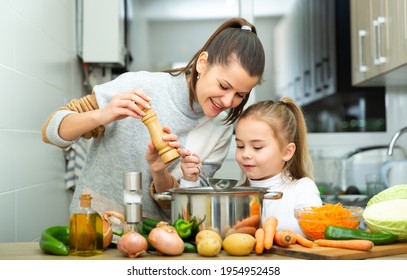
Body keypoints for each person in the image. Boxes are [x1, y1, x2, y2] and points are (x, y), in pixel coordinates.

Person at [41, 17, 265, 220]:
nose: (227, 101)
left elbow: (186, 211)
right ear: (202, 63)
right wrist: (103, 114)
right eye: (224, 86)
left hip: (155, 243)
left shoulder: (220, 129)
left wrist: (160, 171)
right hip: (92, 230)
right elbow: (51, 131)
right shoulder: (141, 86)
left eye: (240, 95)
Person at [180, 97, 322, 234]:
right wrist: (190, 181)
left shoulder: (302, 188)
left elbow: (313, 229)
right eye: (240, 146)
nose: (246, 154)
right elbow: (193, 224)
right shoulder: (236, 194)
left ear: (287, 151)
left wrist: (257, 229)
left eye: (257, 147)